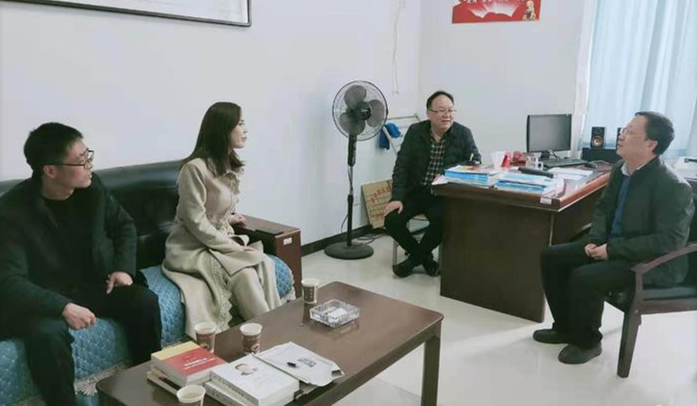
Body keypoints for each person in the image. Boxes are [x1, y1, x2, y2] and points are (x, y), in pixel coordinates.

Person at [0, 123, 162, 406]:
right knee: (47, 336)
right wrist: (62, 307)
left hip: (89, 284)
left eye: (89, 155)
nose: (90, 165)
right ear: (50, 171)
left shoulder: (92, 188)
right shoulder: (12, 210)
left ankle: (147, 389)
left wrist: (123, 268)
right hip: (43, 296)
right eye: (81, 160)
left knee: (143, 301)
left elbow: (124, 226)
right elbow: (9, 280)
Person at [533, 111, 694, 364]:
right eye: (624, 129)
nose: (621, 135)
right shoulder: (621, 169)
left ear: (651, 144)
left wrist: (611, 250)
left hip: (651, 261)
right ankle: (564, 327)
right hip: (612, 245)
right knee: (551, 256)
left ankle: (587, 342)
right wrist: (595, 240)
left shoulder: (672, 186)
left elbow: (669, 241)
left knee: (585, 277)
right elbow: (603, 208)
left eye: (630, 132)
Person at [163, 102, 282, 338]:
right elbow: (196, 222)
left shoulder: (228, 165)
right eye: (240, 124)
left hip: (217, 240)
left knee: (264, 263)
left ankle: (275, 326)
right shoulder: (194, 169)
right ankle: (269, 336)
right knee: (245, 273)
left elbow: (215, 208)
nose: (245, 129)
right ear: (223, 129)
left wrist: (228, 218)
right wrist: (230, 246)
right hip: (191, 247)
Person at [384, 90, 480, 277]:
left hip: (442, 194)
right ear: (429, 114)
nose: (447, 115)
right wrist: (397, 198)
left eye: (450, 110)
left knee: (443, 220)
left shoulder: (463, 133)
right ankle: (425, 259)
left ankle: (411, 262)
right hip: (416, 190)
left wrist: (445, 172)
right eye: (441, 110)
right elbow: (401, 166)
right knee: (391, 220)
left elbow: (474, 161)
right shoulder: (415, 132)